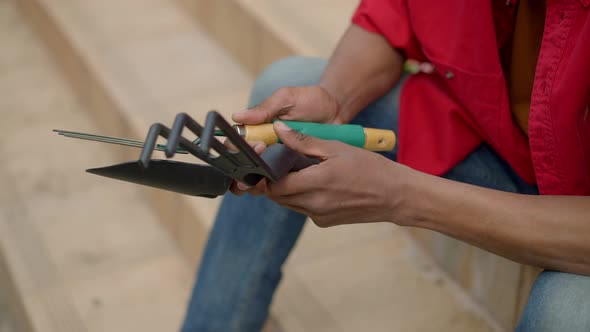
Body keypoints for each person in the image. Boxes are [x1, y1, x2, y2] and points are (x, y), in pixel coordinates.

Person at [182, 0, 590, 331]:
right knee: (284, 89)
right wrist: (335, 97)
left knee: (566, 312)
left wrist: (402, 196)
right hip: (507, 148)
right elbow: (394, 14)